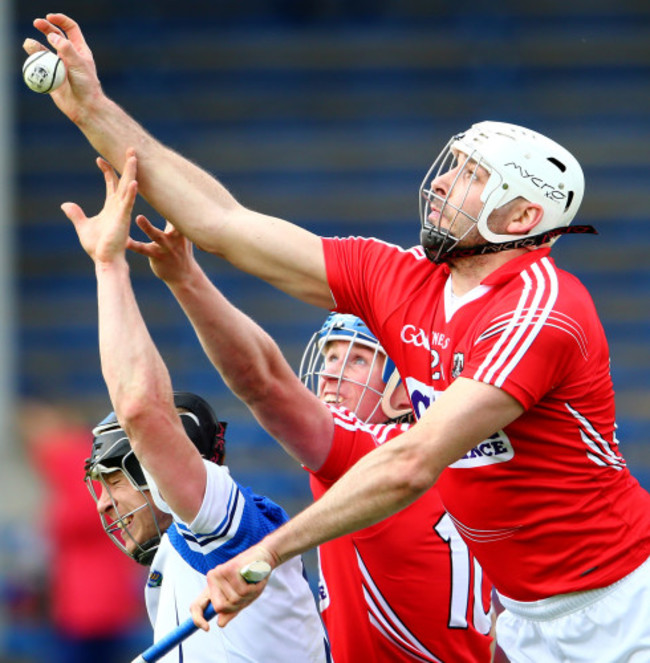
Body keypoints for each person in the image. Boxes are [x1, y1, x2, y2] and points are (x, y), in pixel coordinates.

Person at [25, 14, 650, 661]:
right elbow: (222, 222)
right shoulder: (404, 277)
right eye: (450, 166)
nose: (439, 183)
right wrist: (94, 110)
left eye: (468, 175)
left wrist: (267, 552)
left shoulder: (542, 309)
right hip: (522, 616)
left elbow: (411, 463)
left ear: (522, 216)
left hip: (620, 603)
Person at [126, 218, 495, 661]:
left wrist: (187, 279)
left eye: (357, 360)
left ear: (405, 390)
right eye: (331, 355)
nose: (331, 375)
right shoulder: (490, 464)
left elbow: (261, 381)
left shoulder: (368, 453)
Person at [61, 152, 330, 663]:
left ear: (157, 466)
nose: (102, 503)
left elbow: (142, 410)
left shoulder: (226, 534)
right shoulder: (174, 565)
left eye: (114, 480)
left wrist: (109, 264)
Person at [19, 398, 146, 663]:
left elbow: (79, 515)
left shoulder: (67, 459)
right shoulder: (86, 459)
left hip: (87, 601)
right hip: (102, 594)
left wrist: (48, 522)